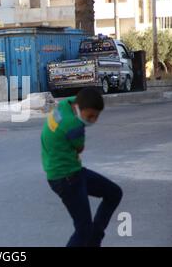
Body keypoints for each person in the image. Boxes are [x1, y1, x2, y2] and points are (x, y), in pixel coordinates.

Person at [41, 88, 122, 247]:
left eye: (97, 116)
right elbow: (80, 149)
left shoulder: (66, 104)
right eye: (90, 116)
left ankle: (94, 241)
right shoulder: (74, 125)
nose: (93, 120)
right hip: (66, 178)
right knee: (83, 229)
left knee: (114, 193)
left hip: (68, 172)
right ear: (79, 108)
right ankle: (92, 240)